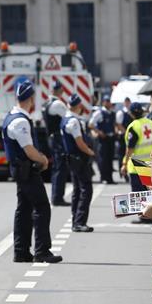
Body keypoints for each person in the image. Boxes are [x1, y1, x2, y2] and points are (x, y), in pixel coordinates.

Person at [2, 80, 62, 263]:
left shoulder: (11, 116)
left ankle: (21, 251)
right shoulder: (20, 121)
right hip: (26, 170)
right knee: (42, 207)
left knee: (24, 209)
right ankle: (42, 250)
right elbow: (28, 149)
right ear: (31, 99)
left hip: (20, 170)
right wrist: (43, 159)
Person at [61, 93, 95, 232]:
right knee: (86, 189)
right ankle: (79, 221)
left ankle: (75, 219)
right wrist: (90, 151)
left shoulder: (65, 119)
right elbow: (79, 142)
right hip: (78, 159)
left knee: (77, 189)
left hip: (72, 158)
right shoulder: (74, 121)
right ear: (79, 105)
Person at [42, 81, 69, 206]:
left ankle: (56, 196)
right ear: (60, 91)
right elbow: (68, 118)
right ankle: (57, 197)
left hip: (52, 138)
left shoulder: (47, 103)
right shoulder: (58, 104)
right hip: (58, 139)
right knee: (60, 168)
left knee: (56, 168)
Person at [121, 102, 152, 195]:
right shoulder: (151, 123)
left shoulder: (133, 126)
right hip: (150, 164)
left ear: (131, 113)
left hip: (136, 166)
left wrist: (124, 163)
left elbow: (130, 148)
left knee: (138, 197)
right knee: (149, 195)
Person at [89, 95, 115, 184]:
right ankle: (103, 178)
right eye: (106, 101)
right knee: (102, 159)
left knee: (110, 159)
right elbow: (91, 124)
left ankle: (110, 178)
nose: (108, 103)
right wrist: (99, 132)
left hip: (110, 138)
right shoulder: (99, 112)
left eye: (109, 101)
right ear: (103, 102)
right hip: (102, 139)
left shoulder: (111, 113)